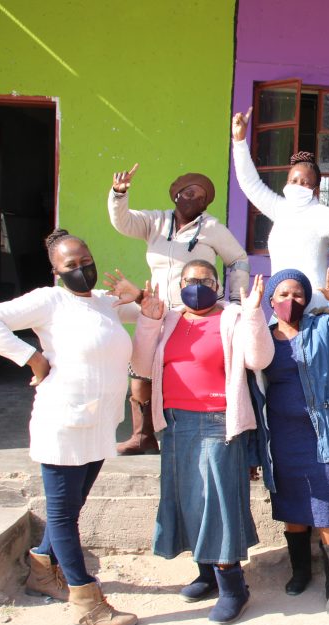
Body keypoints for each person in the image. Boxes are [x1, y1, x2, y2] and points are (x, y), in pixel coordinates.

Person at [0, 229, 138, 625]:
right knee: (63, 515)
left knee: (73, 506)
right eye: (70, 265)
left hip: (99, 424)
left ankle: (42, 570)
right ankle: (86, 603)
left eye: (86, 260)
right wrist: (31, 357)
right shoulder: (50, 301)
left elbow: (154, 312)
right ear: (56, 271)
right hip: (63, 422)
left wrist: (141, 295)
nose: (82, 269)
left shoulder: (105, 301)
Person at [131, 261, 272, 625]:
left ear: (217, 284)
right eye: (189, 280)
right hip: (174, 423)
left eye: (205, 280)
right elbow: (142, 366)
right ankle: (207, 573)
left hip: (218, 422)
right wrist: (147, 321)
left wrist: (254, 314)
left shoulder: (232, 317)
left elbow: (259, 359)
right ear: (179, 284)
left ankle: (233, 588)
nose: (196, 286)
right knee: (189, 500)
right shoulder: (169, 319)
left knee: (217, 503)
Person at [108, 164, 251, 456]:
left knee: (185, 367)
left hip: (195, 312)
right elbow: (123, 222)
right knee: (141, 367)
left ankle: (185, 427)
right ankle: (142, 435)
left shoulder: (211, 228)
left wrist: (236, 300)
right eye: (188, 192)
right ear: (176, 195)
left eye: (200, 196)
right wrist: (119, 194)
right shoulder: (155, 222)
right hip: (156, 308)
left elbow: (238, 258)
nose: (193, 199)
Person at [258, 266, 329, 617]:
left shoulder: (321, 326)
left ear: (307, 299)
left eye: (298, 294)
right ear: (271, 300)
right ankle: (301, 571)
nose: (291, 300)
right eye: (283, 294)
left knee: (327, 506)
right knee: (292, 505)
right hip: (282, 436)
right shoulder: (262, 336)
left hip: (325, 434)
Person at [231, 107, 329, 309]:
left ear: (316, 190)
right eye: (293, 181)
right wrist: (239, 141)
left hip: (314, 310)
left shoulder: (320, 216)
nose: (297, 185)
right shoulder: (279, 209)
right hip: (281, 306)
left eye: (304, 183)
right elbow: (250, 184)